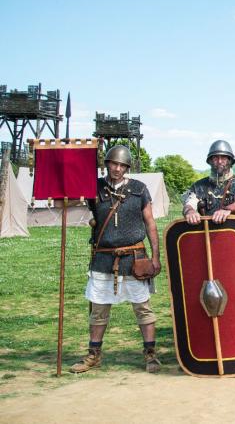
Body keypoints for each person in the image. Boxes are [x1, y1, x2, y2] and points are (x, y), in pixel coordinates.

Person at [71, 145, 161, 374]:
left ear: (127, 167)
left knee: (143, 308)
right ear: (107, 164)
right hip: (103, 257)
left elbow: (150, 223)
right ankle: (94, 355)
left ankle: (151, 354)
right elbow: (71, 198)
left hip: (134, 257)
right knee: (99, 310)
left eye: (122, 165)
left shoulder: (139, 190)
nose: (117, 169)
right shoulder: (95, 187)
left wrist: (156, 257)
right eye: (114, 164)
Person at [183, 140, 235, 225]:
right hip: (206, 234)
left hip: (234, 233)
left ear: (230, 161)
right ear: (210, 161)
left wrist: (228, 210)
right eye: (215, 158)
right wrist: (190, 212)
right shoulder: (198, 186)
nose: (219, 161)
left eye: (223, 158)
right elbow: (189, 204)